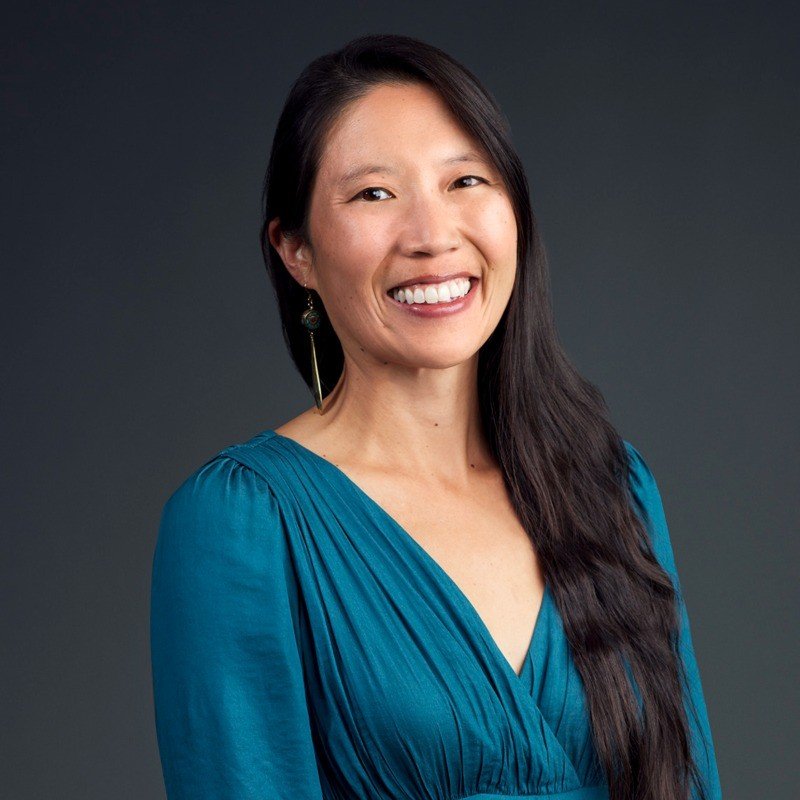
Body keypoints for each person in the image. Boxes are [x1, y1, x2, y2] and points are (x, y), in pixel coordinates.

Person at [150, 33, 722, 800]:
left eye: (466, 181)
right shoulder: (244, 521)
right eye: (374, 194)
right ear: (297, 253)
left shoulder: (613, 488)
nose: (431, 236)